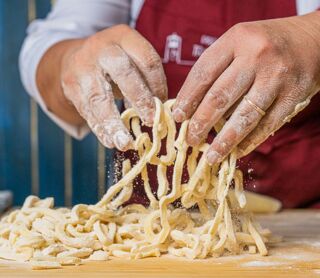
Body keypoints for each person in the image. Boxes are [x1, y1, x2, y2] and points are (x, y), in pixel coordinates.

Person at [19, 0, 320, 208]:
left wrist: (313, 35)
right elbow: (50, 44)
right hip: (146, 228)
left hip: (303, 220)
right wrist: (73, 60)